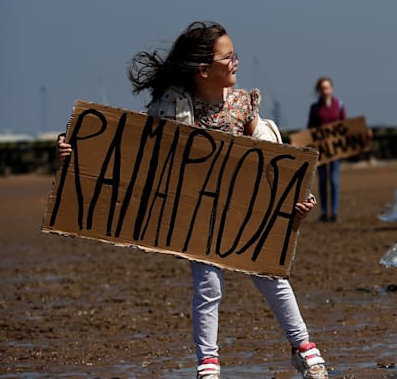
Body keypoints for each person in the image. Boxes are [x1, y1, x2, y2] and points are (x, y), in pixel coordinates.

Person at [98, 21, 326, 379]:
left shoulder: (242, 106)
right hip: (199, 219)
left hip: (248, 214)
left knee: (271, 275)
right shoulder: (170, 110)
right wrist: (74, 151)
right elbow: (132, 155)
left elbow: (275, 159)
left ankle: (304, 348)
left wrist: (299, 196)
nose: (236, 62)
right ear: (204, 70)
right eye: (228, 57)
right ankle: (209, 364)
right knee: (208, 285)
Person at [308, 77, 347, 222]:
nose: (325, 91)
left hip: (335, 149)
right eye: (322, 88)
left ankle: (334, 211)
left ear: (332, 89)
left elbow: (346, 126)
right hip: (321, 150)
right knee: (323, 180)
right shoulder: (315, 108)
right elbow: (310, 129)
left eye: (327, 87)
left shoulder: (339, 105)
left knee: (334, 180)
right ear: (319, 90)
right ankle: (324, 211)